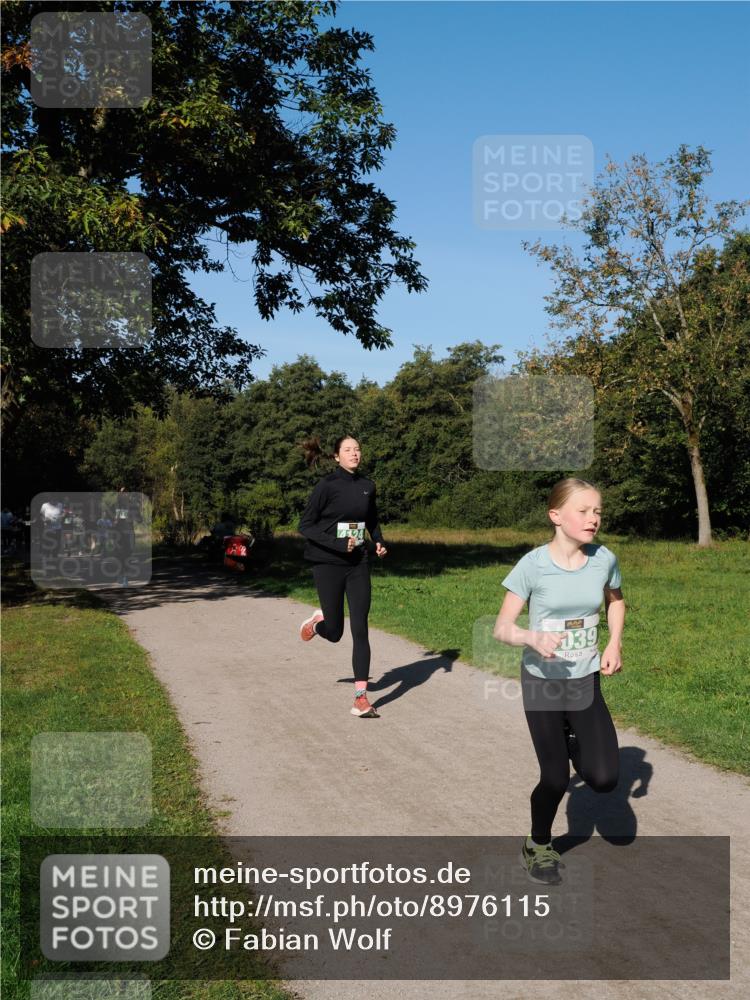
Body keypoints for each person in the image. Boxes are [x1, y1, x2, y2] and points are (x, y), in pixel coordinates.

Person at [493, 477, 625, 885]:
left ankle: (571, 737)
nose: (594, 519)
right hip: (543, 681)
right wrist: (531, 636)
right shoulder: (533, 565)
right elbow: (501, 628)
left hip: (584, 678)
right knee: (554, 778)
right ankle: (538, 845)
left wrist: (614, 643)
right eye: (584, 511)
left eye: (597, 511)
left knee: (604, 779)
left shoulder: (604, 559)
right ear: (556, 516)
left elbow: (616, 600)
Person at [298, 435, 388, 718]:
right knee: (335, 633)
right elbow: (306, 526)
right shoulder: (327, 486)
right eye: (348, 450)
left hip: (358, 563)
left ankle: (361, 698)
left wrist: (378, 543)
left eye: (358, 449)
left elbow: (370, 522)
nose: (355, 453)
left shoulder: (367, 486)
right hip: (328, 563)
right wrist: (338, 544)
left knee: (360, 627)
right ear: (337, 456)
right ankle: (319, 622)